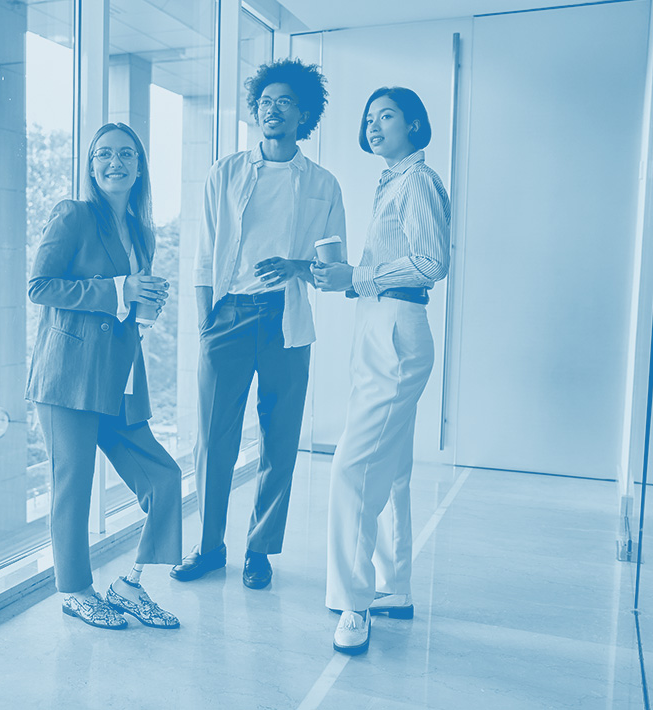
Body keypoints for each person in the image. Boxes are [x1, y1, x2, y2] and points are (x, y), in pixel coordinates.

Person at [171, 59, 346, 590]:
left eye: (285, 102)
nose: (273, 110)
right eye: (265, 101)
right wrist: (206, 323)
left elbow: (335, 270)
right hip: (228, 316)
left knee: (279, 440)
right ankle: (208, 547)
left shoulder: (322, 184)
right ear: (256, 110)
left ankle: (260, 550)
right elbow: (202, 256)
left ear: (304, 114)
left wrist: (298, 267)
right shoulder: (225, 172)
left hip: (286, 324)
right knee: (213, 440)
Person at [26, 122, 182, 630]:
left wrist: (143, 306)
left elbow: (130, 304)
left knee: (164, 477)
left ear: (139, 167)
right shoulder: (74, 215)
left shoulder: (142, 231)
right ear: (92, 166)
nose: (115, 163)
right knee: (74, 484)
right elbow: (41, 286)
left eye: (126, 155)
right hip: (68, 375)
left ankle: (130, 584)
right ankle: (75, 591)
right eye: (104, 155)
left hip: (119, 377)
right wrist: (117, 288)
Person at [312, 87, 450, 654]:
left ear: (414, 124)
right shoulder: (393, 180)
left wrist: (360, 277)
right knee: (389, 467)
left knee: (352, 465)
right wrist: (351, 276)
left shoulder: (417, 181)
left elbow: (431, 262)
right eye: (368, 118)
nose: (373, 126)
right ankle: (393, 587)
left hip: (395, 325)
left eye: (386, 116)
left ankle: (354, 604)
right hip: (380, 323)